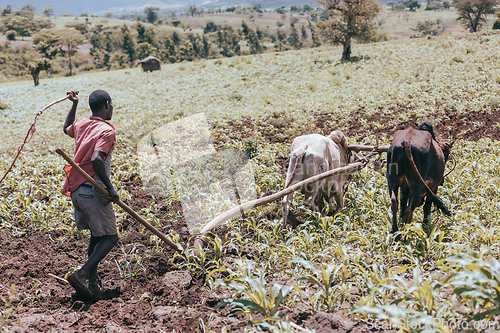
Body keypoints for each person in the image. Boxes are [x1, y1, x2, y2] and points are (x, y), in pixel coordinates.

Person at [62, 90, 120, 300]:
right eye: (111, 105)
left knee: (97, 236)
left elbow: (66, 128)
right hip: (93, 190)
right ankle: (81, 274)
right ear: (107, 104)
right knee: (111, 237)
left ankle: (93, 284)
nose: (112, 108)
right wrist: (110, 189)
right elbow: (97, 160)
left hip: (76, 191)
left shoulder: (82, 124)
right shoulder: (106, 131)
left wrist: (74, 105)